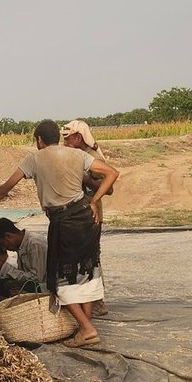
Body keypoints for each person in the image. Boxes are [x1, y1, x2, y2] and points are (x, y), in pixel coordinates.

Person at [0, 120, 119, 347]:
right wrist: (94, 201)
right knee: (86, 272)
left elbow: (4, 189)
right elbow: (112, 173)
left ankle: (87, 330)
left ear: (39, 140)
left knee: (60, 279)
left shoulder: (34, 159)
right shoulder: (76, 155)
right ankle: (83, 326)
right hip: (87, 219)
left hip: (64, 222)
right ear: (57, 138)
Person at [61, 119, 113, 316]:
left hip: (90, 216)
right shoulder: (77, 155)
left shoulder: (92, 158)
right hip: (78, 215)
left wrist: (87, 182)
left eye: (67, 139)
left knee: (90, 260)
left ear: (78, 137)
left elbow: (109, 188)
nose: (64, 143)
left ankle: (96, 302)